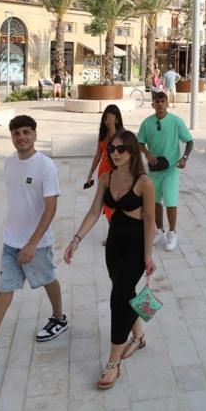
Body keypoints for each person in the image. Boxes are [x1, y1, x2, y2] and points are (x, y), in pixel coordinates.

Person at [0, 115, 67, 358]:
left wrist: (32, 243)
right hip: (11, 241)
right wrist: (17, 241)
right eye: (16, 133)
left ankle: (59, 318)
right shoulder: (9, 163)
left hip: (35, 244)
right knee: (5, 286)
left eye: (26, 132)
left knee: (48, 278)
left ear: (35, 134)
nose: (21, 138)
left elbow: (51, 208)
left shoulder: (45, 166)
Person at [65, 129, 156, 389]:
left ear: (132, 152)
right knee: (126, 293)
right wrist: (76, 239)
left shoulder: (144, 183)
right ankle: (139, 336)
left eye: (121, 149)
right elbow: (95, 212)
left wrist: (149, 255)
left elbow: (150, 221)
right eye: (112, 149)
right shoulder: (105, 178)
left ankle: (113, 363)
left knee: (118, 299)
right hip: (114, 247)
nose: (115, 153)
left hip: (136, 250)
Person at [137, 90, 193, 252]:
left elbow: (189, 142)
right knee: (154, 203)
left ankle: (172, 233)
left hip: (171, 170)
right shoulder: (147, 123)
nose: (160, 104)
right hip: (154, 171)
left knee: (171, 202)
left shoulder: (176, 122)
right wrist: (147, 153)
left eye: (163, 101)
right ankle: (159, 230)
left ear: (167, 103)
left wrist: (185, 158)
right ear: (152, 104)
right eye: (157, 101)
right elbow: (140, 142)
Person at [86, 105, 125, 230]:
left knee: (116, 204)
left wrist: (113, 127)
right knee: (107, 204)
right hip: (103, 172)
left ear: (117, 119)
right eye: (106, 118)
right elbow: (98, 155)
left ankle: (117, 234)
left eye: (112, 118)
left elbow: (116, 146)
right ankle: (113, 235)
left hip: (117, 173)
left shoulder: (123, 133)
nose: (108, 121)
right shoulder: (102, 134)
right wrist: (90, 173)